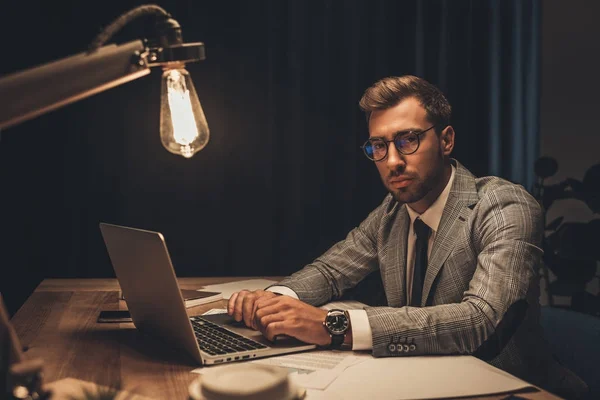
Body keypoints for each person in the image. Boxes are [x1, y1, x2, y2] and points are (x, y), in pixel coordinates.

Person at [227, 75, 587, 398]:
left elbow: (481, 321)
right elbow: (330, 271)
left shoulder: (504, 206)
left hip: (514, 390)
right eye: (379, 146)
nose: (393, 161)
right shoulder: (392, 212)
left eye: (408, 140)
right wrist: (272, 300)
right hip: (423, 383)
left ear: (446, 140)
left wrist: (333, 326)